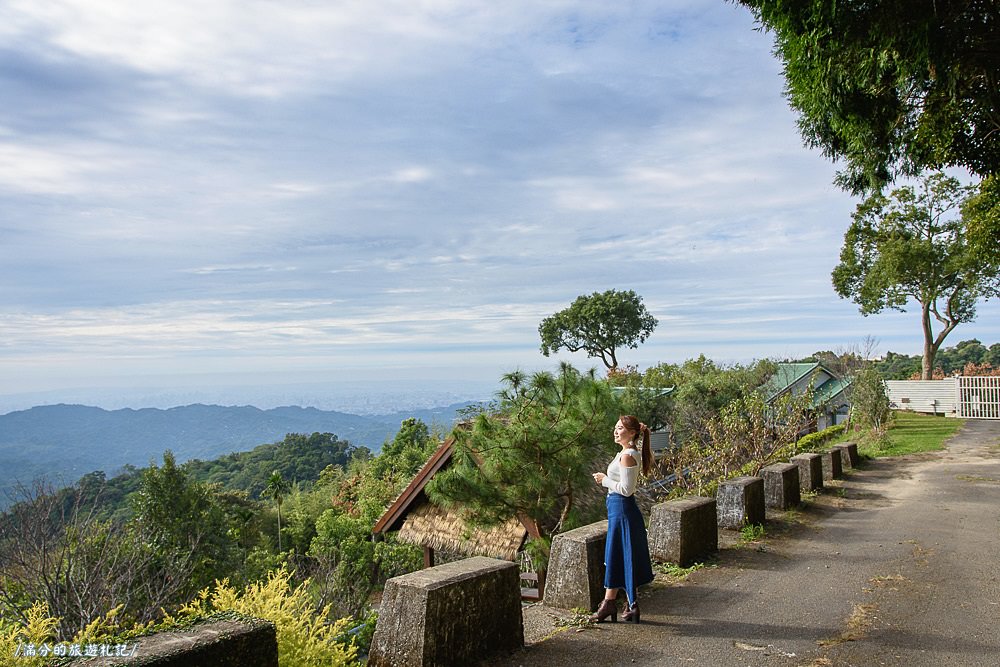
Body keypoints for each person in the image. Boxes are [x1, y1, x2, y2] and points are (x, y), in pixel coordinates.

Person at [589, 415, 655, 623]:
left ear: (632, 433)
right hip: (618, 510)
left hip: (623, 510)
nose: (616, 431)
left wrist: (604, 480)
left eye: (620, 428)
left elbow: (627, 490)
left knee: (619, 554)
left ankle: (614, 604)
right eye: (615, 427)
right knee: (621, 555)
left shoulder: (628, 456)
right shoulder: (625, 453)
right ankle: (626, 604)